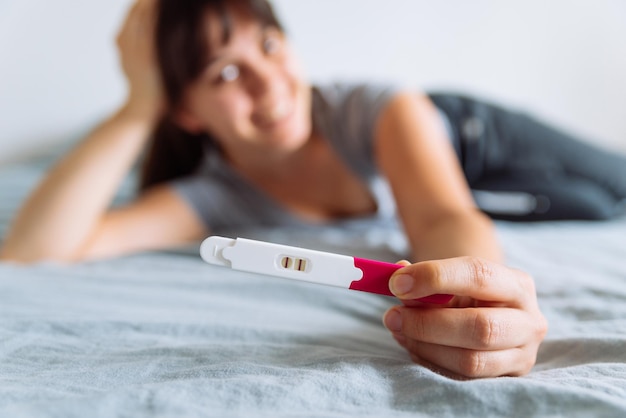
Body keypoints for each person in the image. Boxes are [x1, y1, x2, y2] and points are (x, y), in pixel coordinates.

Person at [1, 0, 625, 378]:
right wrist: (139, 105)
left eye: (269, 45)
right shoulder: (216, 199)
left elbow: (440, 215)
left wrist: (477, 291)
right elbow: (32, 249)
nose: (269, 84)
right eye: (226, 73)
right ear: (185, 112)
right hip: (481, 194)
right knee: (597, 211)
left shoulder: (374, 110)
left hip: (472, 139)